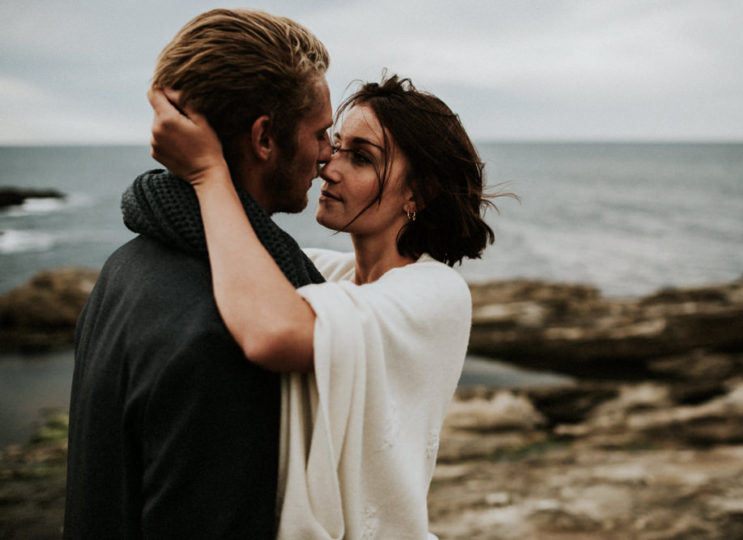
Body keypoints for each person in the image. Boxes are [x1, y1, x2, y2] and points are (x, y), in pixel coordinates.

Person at [147, 73, 496, 538]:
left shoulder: (438, 291)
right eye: (335, 144)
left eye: (362, 158)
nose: (329, 166)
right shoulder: (320, 271)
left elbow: (275, 334)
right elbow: (229, 254)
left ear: (418, 193)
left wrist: (208, 172)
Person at [63, 9, 332, 538]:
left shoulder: (125, 266)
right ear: (264, 139)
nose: (328, 154)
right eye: (321, 132)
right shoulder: (227, 333)